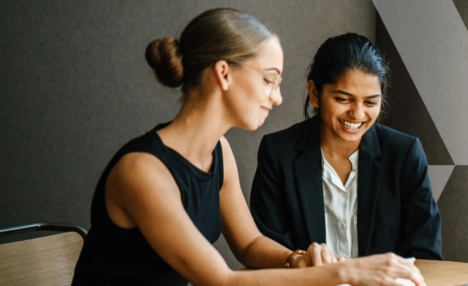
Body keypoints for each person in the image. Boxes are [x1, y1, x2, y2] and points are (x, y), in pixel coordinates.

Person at [72, 8, 424, 286]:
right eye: (269, 79)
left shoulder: (218, 151)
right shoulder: (142, 172)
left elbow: (250, 245)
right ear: (223, 73)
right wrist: (348, 272)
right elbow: (220, 280)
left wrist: (296, 259)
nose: (278, 96)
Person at [249, 33, 442, 261]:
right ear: (314, 93)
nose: (358, 114)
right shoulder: (279, 153)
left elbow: (425, 253)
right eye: (343, 99)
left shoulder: (404, 154)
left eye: (370, 102)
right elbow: (265, 248)